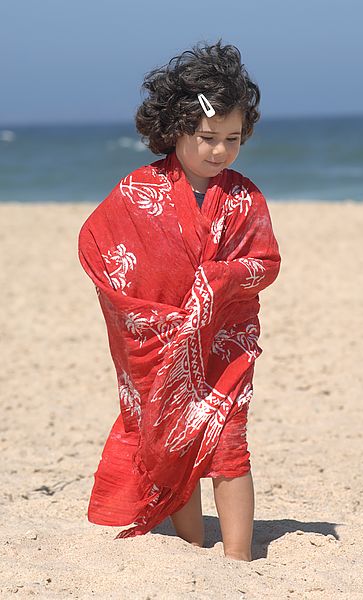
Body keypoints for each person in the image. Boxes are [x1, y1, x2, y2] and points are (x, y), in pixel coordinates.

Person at [78, 40, 281, 562]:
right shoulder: (136, 191)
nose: (220, 151)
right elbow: (102, 249)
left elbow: (265, 262)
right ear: (176, 131)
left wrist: (220, 278)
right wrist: (153, 315)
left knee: (229, 444)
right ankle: (192, 547)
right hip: (163, 344)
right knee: (176, 441)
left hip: (224, 341)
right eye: (208, 137)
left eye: (233, 139)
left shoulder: (245, 196)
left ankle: (238, 559)